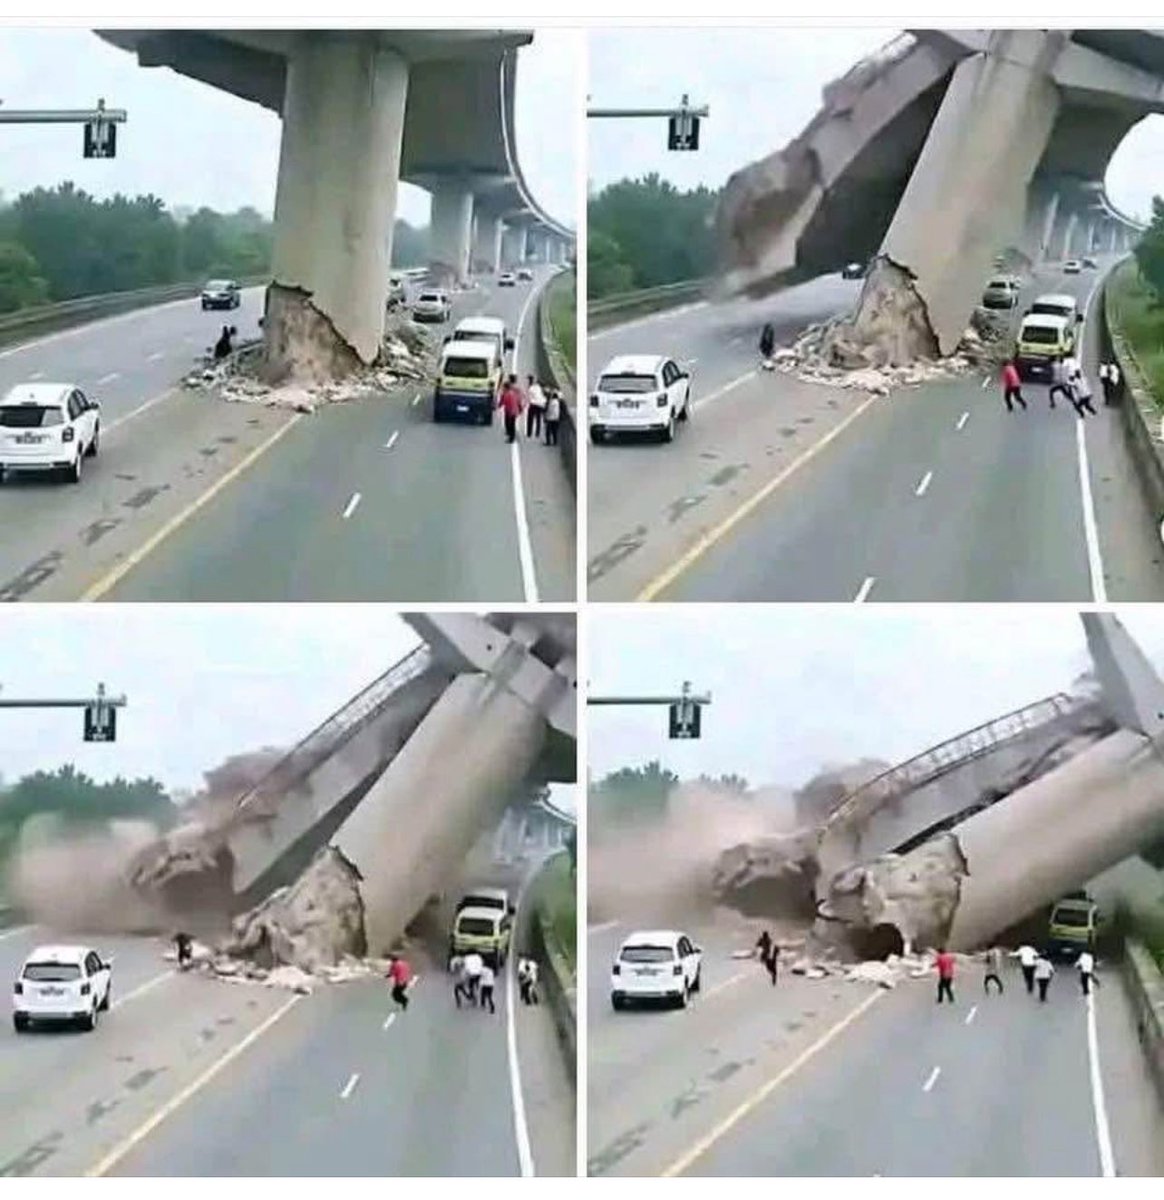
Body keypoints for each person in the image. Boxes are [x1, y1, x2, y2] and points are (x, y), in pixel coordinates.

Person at [497, 375, 524, 444]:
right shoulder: (516, 389)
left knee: (510, 424)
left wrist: (499, 406)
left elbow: (503, 400)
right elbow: (519, 399)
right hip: (513, 410)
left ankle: (511, 437)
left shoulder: (507, 393)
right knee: (511, 423)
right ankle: (511, 435)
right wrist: (520, 408)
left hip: (510, 411)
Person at [525, 375, 547, 440]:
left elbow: (529, 395)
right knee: (538, 419)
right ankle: (537, 433)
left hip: (533, 404)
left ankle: (529, 433)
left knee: (530, 419)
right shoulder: (540, 388)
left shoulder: (531, 388)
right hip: (540, 405)